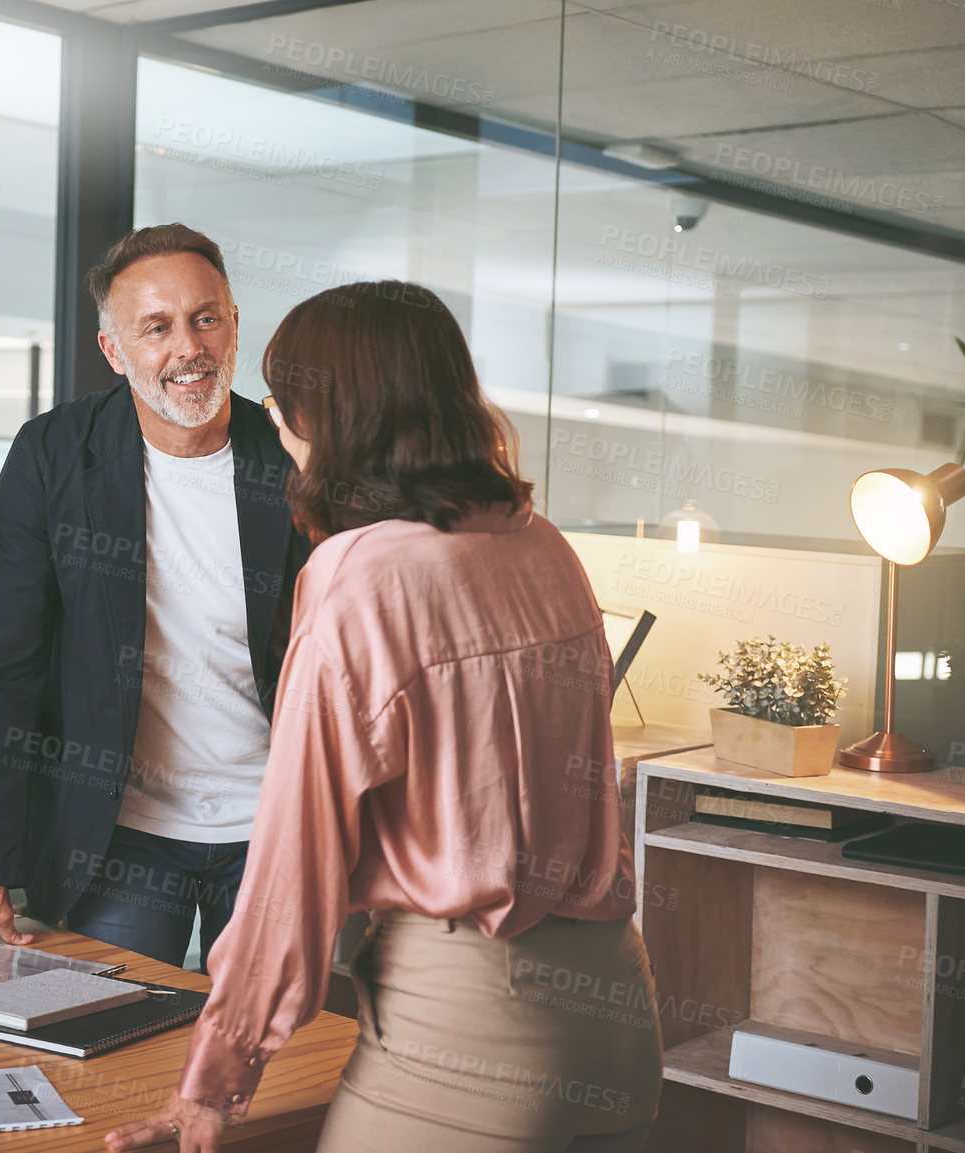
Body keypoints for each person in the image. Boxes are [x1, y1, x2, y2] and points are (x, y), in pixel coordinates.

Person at [107, 281, 664, 1152]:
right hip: (619, 1016)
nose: (273, 414)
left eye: (284, 395)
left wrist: (218, 1080)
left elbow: (297, 855)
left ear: (333, 414)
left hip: (474, 1024)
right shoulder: (544, 543)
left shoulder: (360, 573)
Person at [0, 224, 309, 969]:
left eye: (205, 318)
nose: (188, 347)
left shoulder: (292, 455)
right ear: (114, 351)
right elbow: (3, 665)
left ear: (234, 324)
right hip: (120, 832)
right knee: (96, 1048)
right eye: (156, 327)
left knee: (274, 1063)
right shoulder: (53, 455)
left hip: (278, 824)